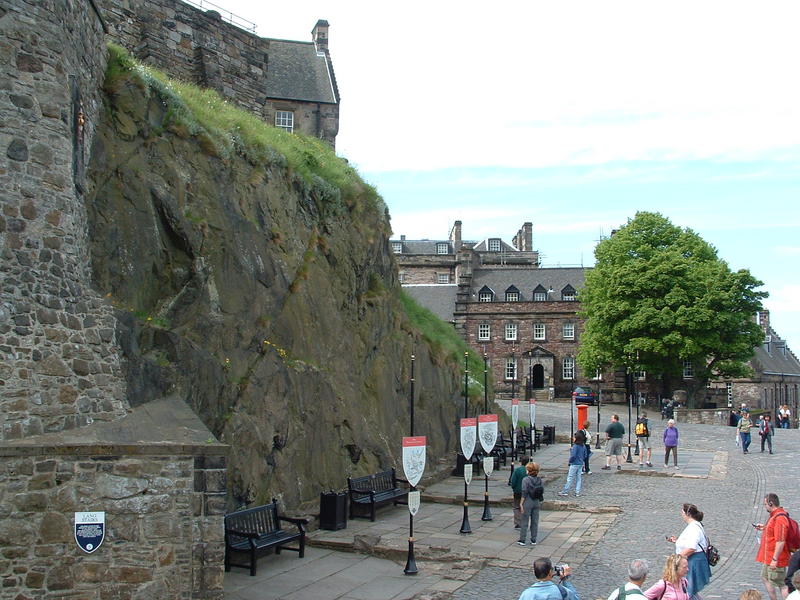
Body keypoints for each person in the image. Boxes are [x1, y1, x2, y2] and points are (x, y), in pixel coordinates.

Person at [665, 503, 711, 599]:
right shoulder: (694, 526)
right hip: (693, 561)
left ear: (688, 514)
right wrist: (677, 541)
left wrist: (675, 559)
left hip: (693, 562)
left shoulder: (693, 528)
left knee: (688, 591)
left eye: (682, 512)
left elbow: (691, 548)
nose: (682, 515)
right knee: (690, 591)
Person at [755, 493, 791, 600]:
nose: (764, 506)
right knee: (765, 578)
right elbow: (773, 531)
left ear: (771, 503)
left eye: (765, 504)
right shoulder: (774, 516)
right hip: (769, 557)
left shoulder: (780, 518)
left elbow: (780, 541)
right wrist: (764, 528)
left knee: (781, 583)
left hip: (775, 558)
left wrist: (775, 559)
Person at [518, 462, 544, 546]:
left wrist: (521, 503)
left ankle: (522, 539)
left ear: (529, 470)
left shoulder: (526, 479)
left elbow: (524, 492)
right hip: (536, 501)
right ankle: (533, 539)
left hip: (528, 501)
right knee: (535, 521)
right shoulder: (539, 479)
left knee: (524, 521)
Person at [558, 431, 588, 498]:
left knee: (570, 477)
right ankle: (577, 492)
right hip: (580, 463)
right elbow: (585, 455)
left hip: (574, 463)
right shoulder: (583, 445)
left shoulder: (575, 446)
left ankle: (565, 491)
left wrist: (570, 461)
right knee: (578, 478)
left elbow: (573, 456)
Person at [510, 456, 530, 529]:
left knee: (516, 507)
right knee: (525, 507)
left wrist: (513, 487)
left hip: (517, 491)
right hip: (527, 492)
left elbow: (513, 481)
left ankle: (518, 522)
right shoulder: (529, 470)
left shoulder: (517, 470)